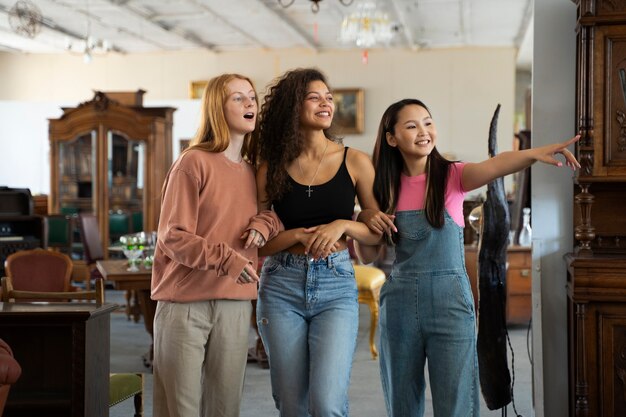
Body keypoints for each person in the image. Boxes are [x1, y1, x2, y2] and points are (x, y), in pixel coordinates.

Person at [357, 98, 580, 417]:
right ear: (391, 138)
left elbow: (499, 163)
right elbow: (367, 256)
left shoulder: (452, 175)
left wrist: (534, 153)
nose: (424, 131)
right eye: (411, 125)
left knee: (456, 402)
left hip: (450, 305)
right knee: (402, 402)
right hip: (399, 306)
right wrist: (366, 217)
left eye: (428, 122)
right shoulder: (384, 188)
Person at [254, 67, 384, 417]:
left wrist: (342, 224)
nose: (326, 103)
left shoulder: (355, 161)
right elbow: (258, 244)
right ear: (292, 106)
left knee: (326, 403)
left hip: (336, 284)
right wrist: (296, 235)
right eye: (314, 97)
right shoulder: (270, 168)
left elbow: (375, 231)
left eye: (329, 97)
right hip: (280, 285)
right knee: (291, 404)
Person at [151, 73, 282, 417]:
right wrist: (228, 260)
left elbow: (275, 215)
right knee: (180, 409)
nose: (249, 103)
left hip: (235, 304)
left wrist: (264, 222)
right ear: (216, 108)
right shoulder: (192, 162)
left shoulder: (254, 172)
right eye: (237, 98)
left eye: (251, 97)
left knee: (225, 408)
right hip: (184, 304)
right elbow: (172, 235)